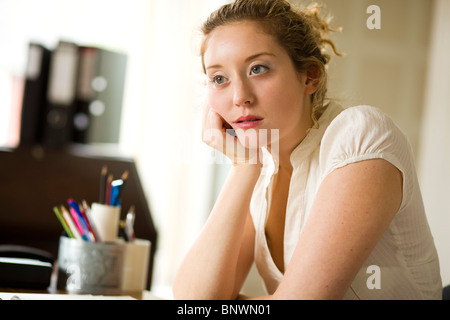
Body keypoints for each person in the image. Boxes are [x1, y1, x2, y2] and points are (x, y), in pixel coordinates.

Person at [173, 0, 442, 299]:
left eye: (258, 69)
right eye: (219, 78)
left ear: (310, 76)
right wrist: (243, 166)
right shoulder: (262, 165)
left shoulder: (360, 135)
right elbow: (194, 301)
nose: (240, 97)